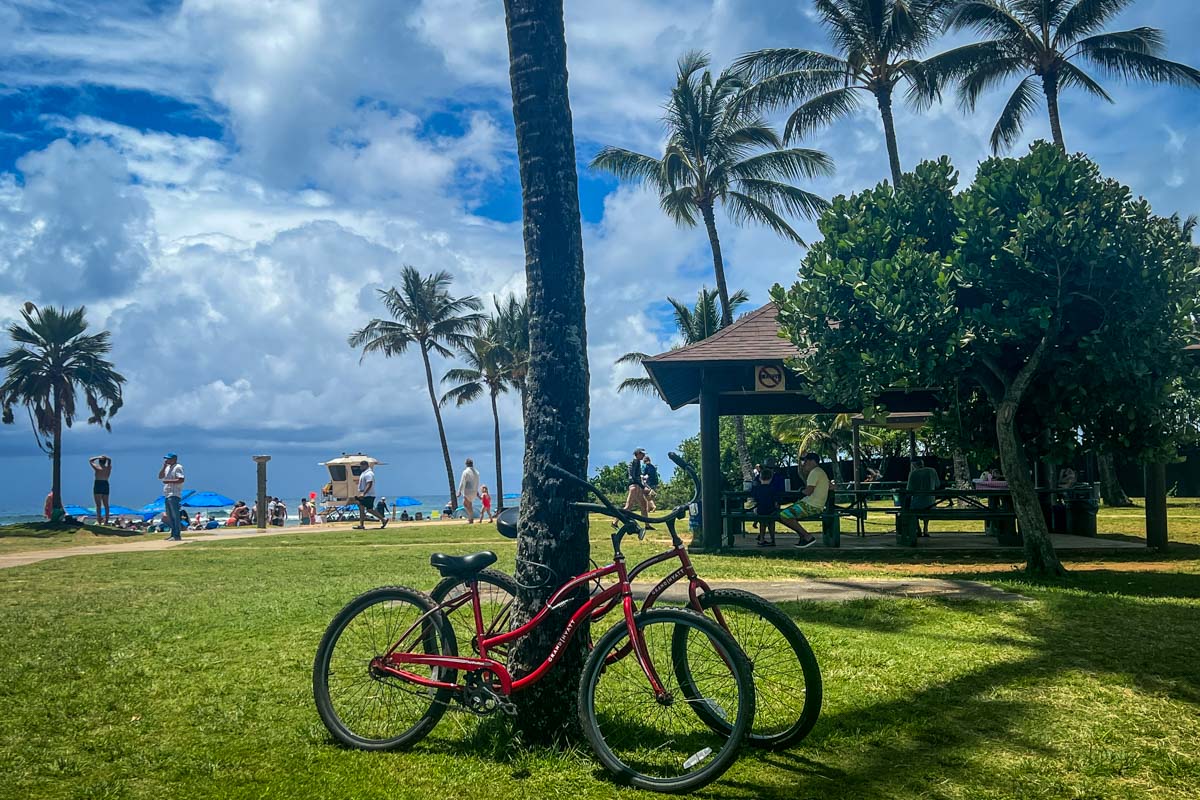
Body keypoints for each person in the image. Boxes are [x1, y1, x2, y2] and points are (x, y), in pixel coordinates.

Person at [777, 452, 829, 548]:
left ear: (812, 461)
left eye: (806, 461)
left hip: (812, 505)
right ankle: (803, 537)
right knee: (784, 514)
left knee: (784, 515)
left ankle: (807, 536)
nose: (804, 464)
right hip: (814, 504)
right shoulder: (820, 472)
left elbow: (809, 491)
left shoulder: (814, 473)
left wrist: (799, 492)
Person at [906, 458, 941, 537]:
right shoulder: (932, 471)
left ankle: (918, 529)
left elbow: (909, 490)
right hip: (931, 503)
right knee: (927, 508)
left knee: (912, 509)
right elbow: (937, 484)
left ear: (914, 465)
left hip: (917, 502)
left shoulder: (913, 473)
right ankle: (925, 529)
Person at [619, 448, 652, 529]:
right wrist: (643, 487)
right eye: (642, 454)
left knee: (643, 505)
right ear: (637, 454)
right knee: (628, 507)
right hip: (634, 486)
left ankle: (647, 525)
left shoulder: (637, 462)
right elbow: (633, 477)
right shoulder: (634, 462)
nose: (643, 456)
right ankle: (615, 522)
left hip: (636, 486)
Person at [748, 466, 780, 547]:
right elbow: (776, 502)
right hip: (771, 510)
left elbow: (753, 498)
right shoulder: (773, 488)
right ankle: (773, 540)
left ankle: (761, 539)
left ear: (760, 478)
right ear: (771, 478)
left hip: (760, 510)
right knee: (771, 523)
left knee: (762, 523)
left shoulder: (757, 488)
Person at [158, 453, 186, 541]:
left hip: (174, 494)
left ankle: (177, 535)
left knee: (175, 516)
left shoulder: (178, 467)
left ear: (174, 459)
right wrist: (163, 467)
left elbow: (181, 479)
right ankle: (173, 534)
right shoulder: (167, 467)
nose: (166, 460)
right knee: (170, 516)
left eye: (168, 459)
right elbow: (160, 476)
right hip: (167, 494)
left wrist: (168, 481)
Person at [354, 461, 388, 529]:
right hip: (367, 494)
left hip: (368, 495)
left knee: (364, 508)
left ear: (365, 465)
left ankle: (382, 519)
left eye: (361, 466)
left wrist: (364, 493)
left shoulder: (369, 474)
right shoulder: (364, 473)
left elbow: (369, 484)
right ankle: (383, 519)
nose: (360, 468)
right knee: (367, 509)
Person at [89, 455, 113, 525]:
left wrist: (97, 457)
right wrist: (106, 457)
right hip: (105, 484)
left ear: (99, 462)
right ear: (105, 462)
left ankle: (99, 521)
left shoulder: (97, 468)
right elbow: (110, 460)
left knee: (98, 505)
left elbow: (90, 460)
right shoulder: (108, 468)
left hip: (98, 484)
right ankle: (106, 521)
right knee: (106, 504)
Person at [458, 459, 481, 523]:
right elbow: (477, 482)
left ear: (466, 464)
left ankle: (471, 517)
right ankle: (470, 518)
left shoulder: (465, 472)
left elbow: (462, 482)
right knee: (469, 504)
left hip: (467, 490)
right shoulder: (477, 472)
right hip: (474, 490)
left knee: (465, 504)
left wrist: (459, 491)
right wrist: (477, 491)